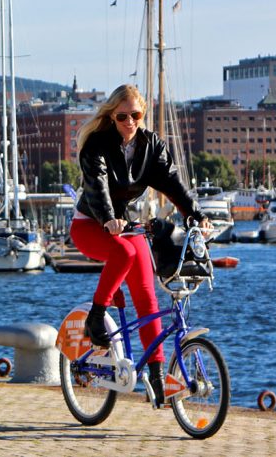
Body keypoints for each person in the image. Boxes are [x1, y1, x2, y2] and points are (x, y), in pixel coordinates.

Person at [71, 84, 207, 407]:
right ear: (112, 116)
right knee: (125, 251)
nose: (129, 121)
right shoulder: (97, 145)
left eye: (136, 115)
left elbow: (172, 183)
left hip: (121, 225)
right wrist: (107, 219)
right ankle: (96, 315)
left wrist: (197, 215)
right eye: (122, 116)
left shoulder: (151, 147)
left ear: (142, 114)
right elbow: (98, 187)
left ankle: (158, 377)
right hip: (90, 223)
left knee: (147, 289)